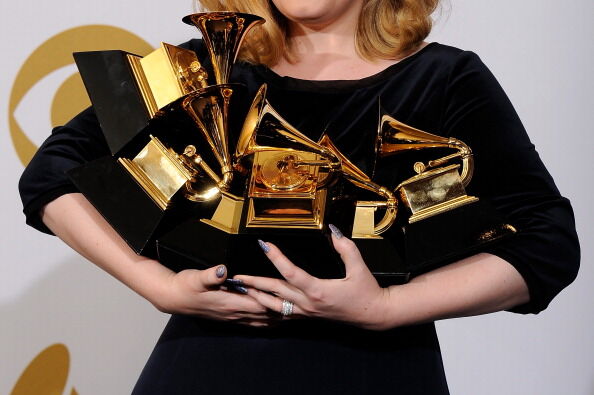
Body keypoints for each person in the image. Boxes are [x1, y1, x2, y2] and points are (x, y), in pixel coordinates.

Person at [19, 0, 580, 393]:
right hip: (204, 369)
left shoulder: (444, 77)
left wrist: (384, 309)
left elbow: (546, 243)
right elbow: (52, 173)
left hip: (376, 374)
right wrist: (157, 285)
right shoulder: (208, 68)